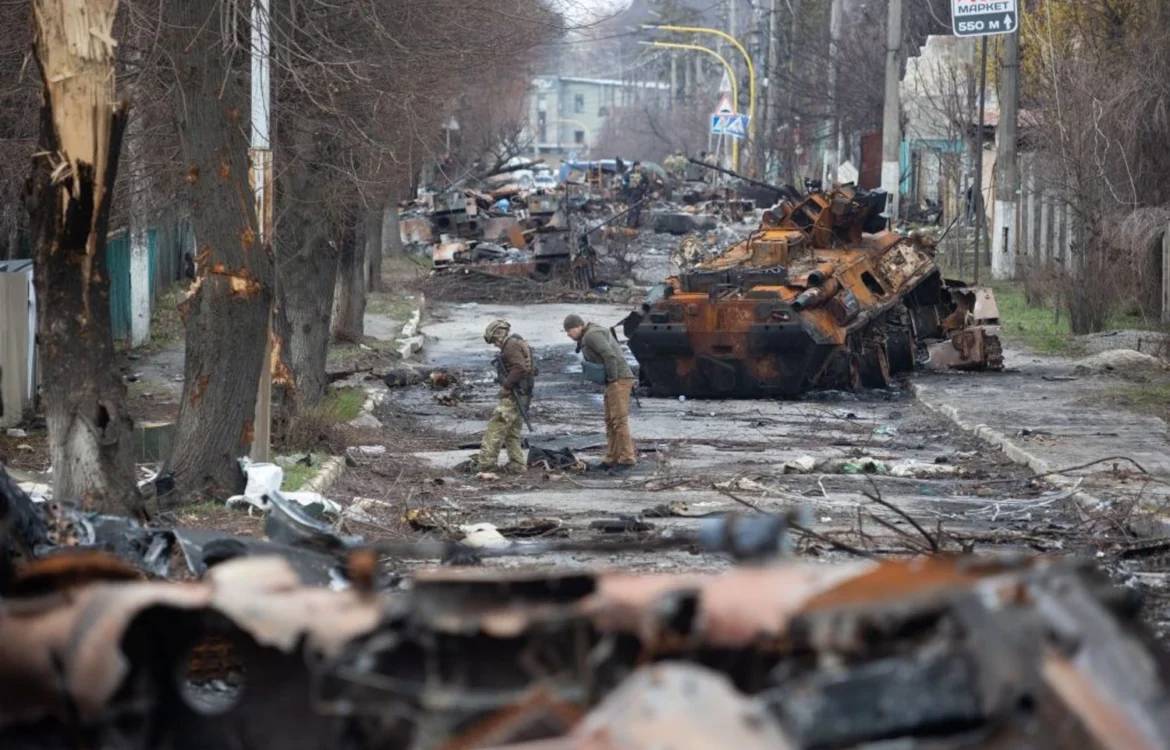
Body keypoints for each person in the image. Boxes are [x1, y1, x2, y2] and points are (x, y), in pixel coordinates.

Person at [459, 319, 536, 475]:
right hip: (522, 395)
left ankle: (485, 464)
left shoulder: (511, 347)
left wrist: (506, 386)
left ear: (500, 335)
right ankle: (517, 464)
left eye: (495, 341)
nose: (495, 344)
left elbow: (519, 368)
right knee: (511, 433)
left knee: (495, 428)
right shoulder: (516, 343)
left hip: (514, 396)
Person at [563, 314, 636, 473]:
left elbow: (609, 355)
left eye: (569, 331)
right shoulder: (587, 335)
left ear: (578, 327)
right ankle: (612, 458)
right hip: (613, 381)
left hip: (618, 379)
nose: (568, 334)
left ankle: (627, 458)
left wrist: (613, 378)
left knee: (619, 421)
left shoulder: (591, 335)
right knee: (610, 420)